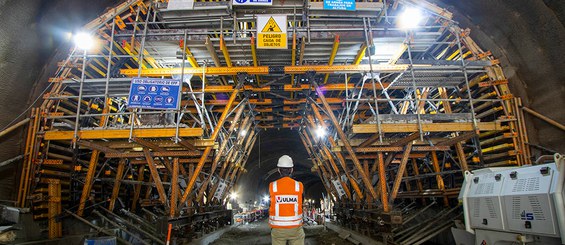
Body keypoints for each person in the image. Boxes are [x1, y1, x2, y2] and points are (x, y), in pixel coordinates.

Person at [269, 155, 305, 245]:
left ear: (278, 170)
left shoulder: (273, 186)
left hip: (278, 229)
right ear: (291, 170)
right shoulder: (299, 185)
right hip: (295, 228)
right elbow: (302, 201)